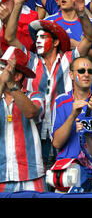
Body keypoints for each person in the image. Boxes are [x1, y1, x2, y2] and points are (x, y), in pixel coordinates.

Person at [4, 0, 92, 176]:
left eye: (43, 37)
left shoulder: (69, 59)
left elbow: (90, 37)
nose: (37, 41)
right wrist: (19, 5)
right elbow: (10, 37)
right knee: (39, 177)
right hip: (34, 130)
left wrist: (82, 14)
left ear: (55, 42)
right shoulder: (30, 60)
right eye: (36, 37)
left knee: (62, 181)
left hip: (63, 131)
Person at [51, 56, 92, 193]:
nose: (86, 74)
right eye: (81, 70)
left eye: (90, 71)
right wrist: (72, 116)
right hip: (68, 174)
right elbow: (57, 143)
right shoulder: (60, 101)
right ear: (71, 75)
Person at [0, 47, 45, 192]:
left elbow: (30, 112)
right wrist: (2, 83)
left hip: (32, 175)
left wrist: (11, 85)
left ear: (17, 76)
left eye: (3, 68)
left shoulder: (35, 95)